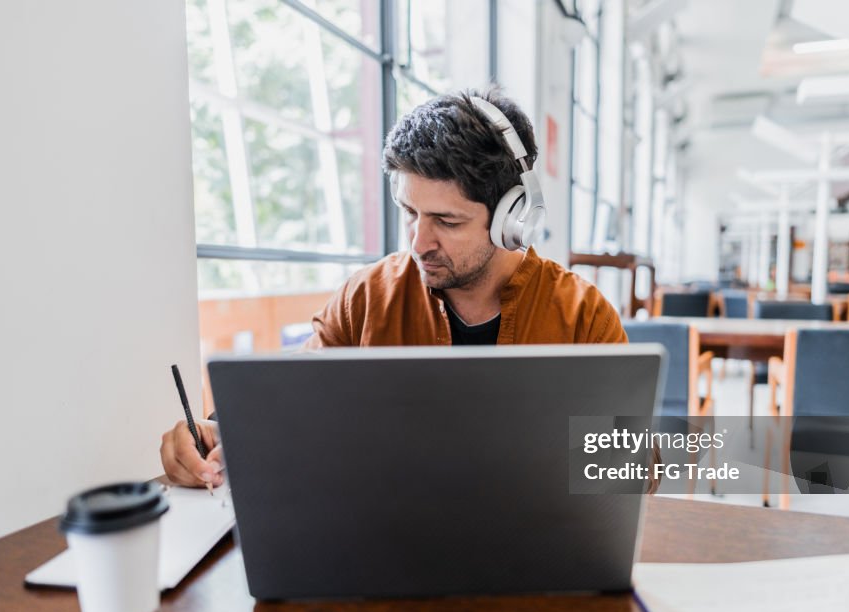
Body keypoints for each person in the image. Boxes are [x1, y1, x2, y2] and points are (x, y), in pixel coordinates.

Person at [161, 87, 627, 488]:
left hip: (532, 547)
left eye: (446, 220)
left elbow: (632, 470)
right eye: (409, 211)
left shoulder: (583, 316)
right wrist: (223, 434)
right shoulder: (366, 298)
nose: (418, 242)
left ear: (513, 219)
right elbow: (293, 401)